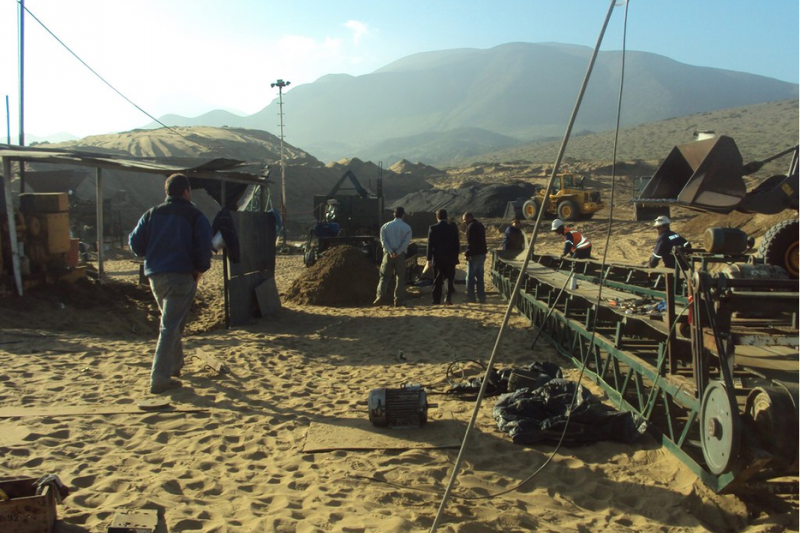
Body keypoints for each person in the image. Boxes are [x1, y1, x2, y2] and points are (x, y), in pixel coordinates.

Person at [129, 173, 213, 394]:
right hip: (182, 276)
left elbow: (135, 244)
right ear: (186, 191)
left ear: (167, 191)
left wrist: (154, 253)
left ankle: (175, 367)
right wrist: (200, 267)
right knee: (170, 326)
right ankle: (159, 378)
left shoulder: (151, 214)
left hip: (156, 277)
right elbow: (204, 247)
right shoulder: (195, 215)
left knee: (173, 322)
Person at [375, 206, 413, 307]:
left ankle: (380, 296)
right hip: (400, 255)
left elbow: (383, 241)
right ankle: (398, 300)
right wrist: (398, 252)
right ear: (403, 215)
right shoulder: (407, 228)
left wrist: (390, 251)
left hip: (387, 254)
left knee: (384, 277)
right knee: (400, 278)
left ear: (394, 214)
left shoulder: (385, 226)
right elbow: (406, 243)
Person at [426, 209, 460, 305]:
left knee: (437, 278)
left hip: (438, 257)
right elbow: (457, 244)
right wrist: (456, 257)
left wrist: (428, 259)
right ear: (446, 216)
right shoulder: (452, 228)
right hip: (450, 258)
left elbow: (430, 245)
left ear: (437, 217)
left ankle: (436, 300)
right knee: (449, 278)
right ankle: (448, 298)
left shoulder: (433, 228)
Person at [462, 211, 488, 303]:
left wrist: (467, 254)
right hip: (482, 254)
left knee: (470, 277)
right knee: (480, 277)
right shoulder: (480, 225)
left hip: (474, 255)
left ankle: (471, 297)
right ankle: (482, 297)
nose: (464, 222)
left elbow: (471, 243)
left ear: (469, 218)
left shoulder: (471, 227)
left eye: (464, 219)